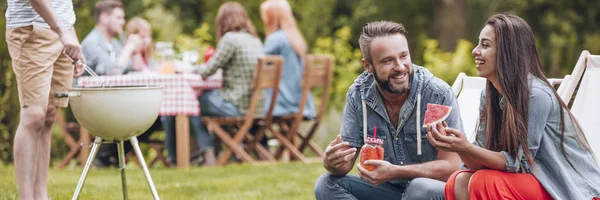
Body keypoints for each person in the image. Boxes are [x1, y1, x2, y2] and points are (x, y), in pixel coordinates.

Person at [431, 14, 600, 200]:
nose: (475, 51)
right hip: (534, 182)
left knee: (484, 181)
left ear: (507, 51)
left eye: (485, 45)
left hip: (566, 189)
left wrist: (467, 148)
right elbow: (478, 163)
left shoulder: (536, 94)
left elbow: (521, 164)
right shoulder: (488, 96)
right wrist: (459, 147)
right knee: (459, 180)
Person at [314, 21, 463, 200]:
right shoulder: (358, 95)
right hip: (389, 192)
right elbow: (345, 165)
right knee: (326, 183)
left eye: (403, 56)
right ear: (368, 66)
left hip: (431, 191)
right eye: (388, 60)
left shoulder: (437, 94)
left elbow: (452, 166)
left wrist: (395, 172)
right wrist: (331, 162)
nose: (400, 67)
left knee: (420, 187)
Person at [161, 1, 264, 166]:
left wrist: (186, 68)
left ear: (223, 21)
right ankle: (211, 153)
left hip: (236, 105)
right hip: (254, 105)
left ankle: (205, 154)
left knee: (193, 101)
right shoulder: (254, 40)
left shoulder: (230, 39)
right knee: (201, 100)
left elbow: (208, 70)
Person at [5, 0, 84, 198]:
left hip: (62, 33)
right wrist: (61, 30)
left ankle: (41, 195)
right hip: (31, 30)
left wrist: (72, 37)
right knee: (33, 115)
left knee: (49, 115)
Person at [259, 0, 316, 118]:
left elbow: (258, 70)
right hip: (303, 104)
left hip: (281, 105)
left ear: (271, 19)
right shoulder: (297, 39)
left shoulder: (275, 39)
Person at [80, 0, 142, 76]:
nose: (123, 22)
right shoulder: (91, 43)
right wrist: (129, 47)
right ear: (104, 18)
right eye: (119, 18)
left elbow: (135, 69)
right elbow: (112, 72)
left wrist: (136, 51)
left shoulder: (114, 43)